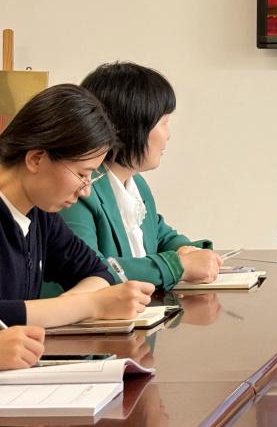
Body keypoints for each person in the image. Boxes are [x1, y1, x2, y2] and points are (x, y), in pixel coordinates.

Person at [0, 84, 154, 328]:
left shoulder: (40, 213)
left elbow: (97, 272)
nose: (86, 190)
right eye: (83, 174)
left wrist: (66, 307)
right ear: (36, 159)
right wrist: (90, 305)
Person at [58, 63, 221, 290]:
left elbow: (160, 235)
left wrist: (187, 250)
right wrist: (177, 265)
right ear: (132, 125)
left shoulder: (136, 184)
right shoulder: (79, 189)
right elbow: (89, 270)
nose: (168, 135)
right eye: (164, 122)